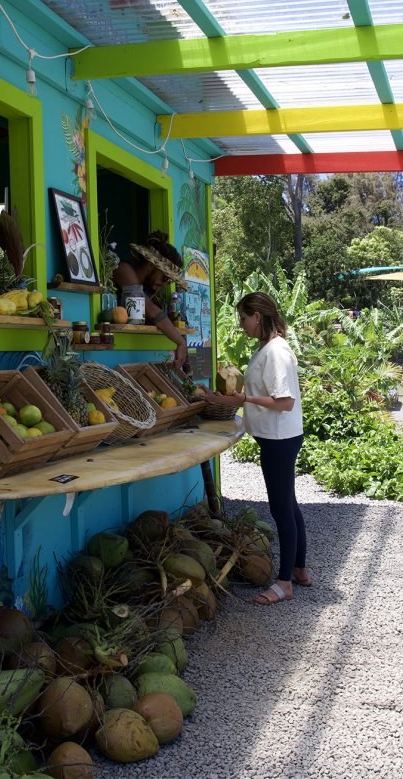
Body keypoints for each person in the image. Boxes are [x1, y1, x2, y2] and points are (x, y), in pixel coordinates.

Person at [197, 292, 306, 605]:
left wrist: (244, 400)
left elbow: (285, 402)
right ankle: (299, 570)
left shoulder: (277, 351)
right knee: (289, 503)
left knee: (281, 508)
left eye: (243, 318)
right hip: (276, 437)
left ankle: (284, 583)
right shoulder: (268, 348)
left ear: (257, 316)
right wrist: (221, 398)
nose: (241, 325)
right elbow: (258, 393)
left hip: (280, 439)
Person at [112, 231, 190, 368]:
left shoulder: (148, 290)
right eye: (164, 278)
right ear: (151, 266)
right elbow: (149, 308)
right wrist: (181, 342)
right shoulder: (124, 270)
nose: (164, 284)